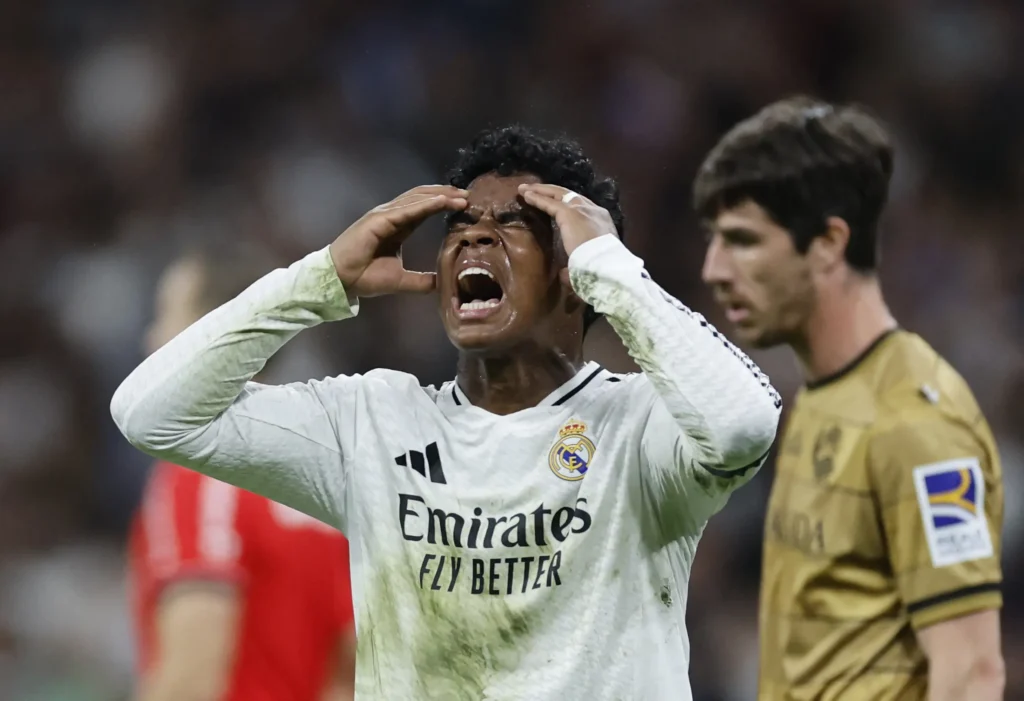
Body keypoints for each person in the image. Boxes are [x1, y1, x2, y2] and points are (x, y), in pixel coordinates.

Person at [111, 125, 781, 701]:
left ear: (572, 271)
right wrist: (322, 280)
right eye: (459, 225)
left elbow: (746, 422)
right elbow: (151, 413)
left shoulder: (639, 426)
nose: (474, 238)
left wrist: (612, 267)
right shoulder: (372, 424)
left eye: (511, 223)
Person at [695, 96, 1005, 700]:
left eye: (743, 241)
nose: (714, 269)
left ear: (828, 243)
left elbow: (971, 672)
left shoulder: (915, 425)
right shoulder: (819, 398)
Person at [127, 246, 356, 701]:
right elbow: (352, 671)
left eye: (167, 315)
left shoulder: (204, 474)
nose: (150, 338)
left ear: (212, 332)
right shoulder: (319, 475)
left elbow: (192, 678)